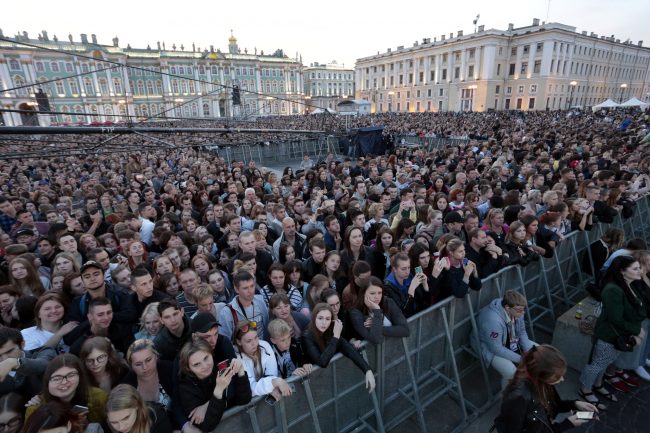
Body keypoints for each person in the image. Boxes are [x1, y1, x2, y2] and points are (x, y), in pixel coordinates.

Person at [579, 256, 646, 409]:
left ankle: (597, 384)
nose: (640, 271)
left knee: (606, 361)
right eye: (635, 268)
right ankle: (585, 390)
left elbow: (638, 310)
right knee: (597, 364)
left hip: (621, 333)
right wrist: (636, 330)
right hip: (609, 335)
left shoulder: (630, 284)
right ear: (622, 272)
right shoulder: (612, 290)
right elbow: (616, 319)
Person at [494, 345, 598, 433]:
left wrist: (575, 404)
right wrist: (565, 425)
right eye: (557, 377)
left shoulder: (543, 382)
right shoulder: (518, 398)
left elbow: (555, 406)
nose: (562, 379)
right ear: (541, 374)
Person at [178, 339, 251, 431]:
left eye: (206, 358)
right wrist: (218, 390)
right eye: (196, 364)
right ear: (188, 368)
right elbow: (206, 426)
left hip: (242, 426)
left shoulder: (222, 367)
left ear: (211, 353)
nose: (205, 366)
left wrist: (241, 372)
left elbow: (244, 399)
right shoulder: (186, 388)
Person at [302, 303, 376, 393]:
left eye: (327, 319)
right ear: (314, 319)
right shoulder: (307, 335)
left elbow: (349, 350)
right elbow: (322, 362)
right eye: (320, 318)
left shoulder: (331, 330)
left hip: (328, 379)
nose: (324, 322)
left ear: (332, 320)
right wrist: (336, 336)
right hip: (313, 380)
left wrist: (367, 370)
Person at [472, 290, 536, 389]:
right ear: (507, 308)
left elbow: (522, 332)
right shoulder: (492, 320)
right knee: (512, 374)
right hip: (488, 347)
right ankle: (507, 397)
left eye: (523, 310)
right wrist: (521, 359)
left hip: (510, 340)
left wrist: (528, 351)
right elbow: (496, 349)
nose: (523, 313)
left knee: (540, 352)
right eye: (519, 310)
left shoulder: (517, 309)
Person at [25, 353, 108, 423]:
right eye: (57, 378)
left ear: (80, 376)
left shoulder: (99, 397)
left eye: (71, 375)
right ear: (47, 382)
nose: (64, 382)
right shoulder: (35, 409)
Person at [233, 320, 292, 400]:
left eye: (256, 337)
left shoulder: (265, 345)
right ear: (239, 342)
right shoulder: (237, 359)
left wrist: (272, 384)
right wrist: (274, 383)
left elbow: (271, 375)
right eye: (249, 341)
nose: (254, 343)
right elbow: (251, 388)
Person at [348, 277, 410, 344]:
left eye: (379, 293)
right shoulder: (355, 312)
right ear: (363, 294)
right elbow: (377, 339)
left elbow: (405, 330)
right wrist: (377, 310)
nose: (377, 297)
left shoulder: (388, 302)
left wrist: (376, 326)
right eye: (372, 293)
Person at [0, 326, 56, 398]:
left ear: (22, 344)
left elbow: (43, 365)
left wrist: (15, 363)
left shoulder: (44, 351)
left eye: (9, 351)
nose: (5, 358)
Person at [104, 384, 172, 433]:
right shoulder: (106, 427)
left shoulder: (157, 417)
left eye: (126, 418)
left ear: (136, 405)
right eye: (114, 422)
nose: (121, 427)